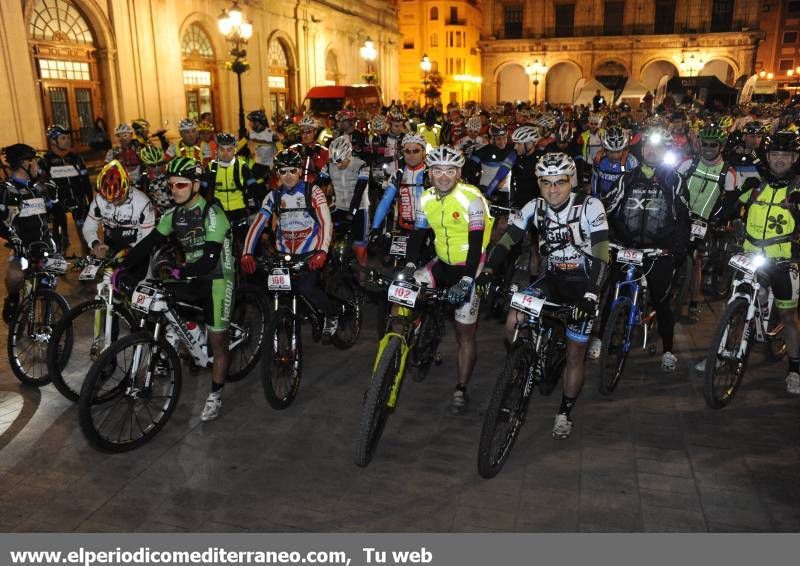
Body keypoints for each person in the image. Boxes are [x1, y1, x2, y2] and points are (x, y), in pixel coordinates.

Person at [477, 152, 609, 439]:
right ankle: (518, 368)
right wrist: (488, 270)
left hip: (584, 284)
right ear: (538, 183)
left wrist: (591, 295)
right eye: (546, 183)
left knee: (575, 355)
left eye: (559, 182)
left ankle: (564, 411)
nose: (553, 190)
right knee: (513, 319)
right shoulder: (534, 207)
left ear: (571, 181)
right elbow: (509, 238)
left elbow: (601, 253)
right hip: (553, 279)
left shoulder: (591, 206)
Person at [118, 157, 235, 421]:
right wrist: (121, 267)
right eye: (171, 186)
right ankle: (191, 332)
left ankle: (215, 396)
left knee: (218, 345)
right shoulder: (174, 214)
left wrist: (181, 271)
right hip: (192, 273)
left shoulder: (213, 214)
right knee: (164, 299)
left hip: (218, 276)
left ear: (196, 185)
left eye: (181, 185)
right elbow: (149, 244)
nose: (174, 190)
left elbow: (209, 259)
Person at [404, 146, 492, 415]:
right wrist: (408, 264)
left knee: (464, 334)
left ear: (459, 172)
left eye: (450, 170)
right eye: (438, 170)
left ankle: (461, 388)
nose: (443, 176)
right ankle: (415, 332)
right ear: (430, 172)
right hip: (441, 263)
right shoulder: (426, 197)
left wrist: (467, 280)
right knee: (406, 289)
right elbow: (418, 235)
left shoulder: (472, 198)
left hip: (469, 266)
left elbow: (476, 242)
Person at [600, 127, 690, 372]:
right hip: (626, 247)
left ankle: (669, 350)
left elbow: (683, 219)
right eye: (648, 146)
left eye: (658, 147)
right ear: (641, 149)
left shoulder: (675, 180)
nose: (652, 150)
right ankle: (602, 340)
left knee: (662, 302)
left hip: (659, 251)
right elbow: (605, 207)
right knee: (613, 295)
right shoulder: (626, 178)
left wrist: (678, 251)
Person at [240, 149, 338, 339]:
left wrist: (322, 251)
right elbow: (258, 224)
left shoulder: (313, 191)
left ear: (300, 171)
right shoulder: (273, 196)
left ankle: (331, 314)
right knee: (279, 289)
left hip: (312, 252)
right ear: (277, 174)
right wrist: (247, 252)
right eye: (283, 171)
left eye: (292, 170)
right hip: (284, 254)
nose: (288, 176)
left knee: (307, 288)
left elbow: (326, 222)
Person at [736, 131, 800, 393]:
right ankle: (724, 351)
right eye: (775, 154)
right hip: (751, 255)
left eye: (786, 155)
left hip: (784, 259)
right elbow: (731, 205)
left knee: (788, 315)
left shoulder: (797, 187)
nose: (780, 159)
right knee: (738, 300)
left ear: (795, 157)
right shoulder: (757, 183)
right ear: (768, 156)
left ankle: (795, 368)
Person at [675, 126, 737, 319]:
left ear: (722, 146)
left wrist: (715, 218)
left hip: (703, 221)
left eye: (713, 145)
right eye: (705, 144)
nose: (708, 148)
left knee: (696, 261)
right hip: (680, 216)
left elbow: (729, 203)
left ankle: (694, 302)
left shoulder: (728, 172)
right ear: (698, 143)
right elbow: (671, 186)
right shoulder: (687, 164)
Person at [0, 144, 54, 322]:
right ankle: (14, 298)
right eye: (35, 161)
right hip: (23, 250)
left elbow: (52, 209)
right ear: (25, 163)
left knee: (49, 285)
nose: (37, 166)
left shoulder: (37, 188)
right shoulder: (7, 189)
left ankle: (47, 326)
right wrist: (14, 240)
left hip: (45, 247)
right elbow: (2, 221)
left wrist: (54, 197)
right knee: (15, 276)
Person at [82, 160, 155, 277]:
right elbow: (89, 227)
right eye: (108, 199)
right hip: (111, 250)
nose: (114, 203)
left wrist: (127, 251)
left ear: (127, 187)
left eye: (118, 198)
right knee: (108, 289)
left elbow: (149, 238)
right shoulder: (99, 200)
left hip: (138, 249)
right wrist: (95, 244)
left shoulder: (142, 202)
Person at [39, 124, 92, 254]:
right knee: (60, 237)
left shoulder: (76, 158)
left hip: (77, 200)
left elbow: (85, 180)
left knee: (84, 233)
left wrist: (90, 200)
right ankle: (60, 257)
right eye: (63, 138)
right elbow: (41, 185)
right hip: (58, 204)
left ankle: (87, 258)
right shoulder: (45, 161)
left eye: (68, 137)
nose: (67, 140)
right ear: (53, 141)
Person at [204, 132, 257, 252]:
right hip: (219, 211)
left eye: (229, 149)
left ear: (235, 149)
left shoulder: (242, 166)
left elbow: (253, 190)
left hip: (240, 210)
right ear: (216, 150)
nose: (225, 153)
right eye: (222, 149)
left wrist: (253, 211)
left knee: (247, 244)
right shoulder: (211, 167)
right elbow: (203, 191)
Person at [370, 134, 427, 238]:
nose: (411, 155)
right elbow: (385, 201)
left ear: (424, 152)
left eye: (416, 151)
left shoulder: (432, 174)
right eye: (407, 151)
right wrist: (375, 227)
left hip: (428, 230)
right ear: (403, 153)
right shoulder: (398, 174)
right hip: (404, 229)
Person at [325, 136, 370, 267]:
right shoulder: (329, 165)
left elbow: (359, 192)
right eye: (334, 162)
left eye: (340, 161)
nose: (337, 165)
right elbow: (317, 184)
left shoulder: (362, 165)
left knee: (360, 249)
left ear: (349, 154)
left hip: (359, 207)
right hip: (339, 206)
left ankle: (362, 279)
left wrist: (352, 213)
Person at [468, 124, 517, 204]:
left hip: (504, 192)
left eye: (505, 138)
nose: (503, 142)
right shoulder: (483, 151)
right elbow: (469, 169)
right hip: (485, 189)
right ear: (492, 139)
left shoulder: (512, 149)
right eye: (499, 139)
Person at [590, 126, 639, 199]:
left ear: (624, 149)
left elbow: (636, 185)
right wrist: (596, 198)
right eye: (611, 152)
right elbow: (595, 180)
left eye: (618, 152)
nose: (615, 156)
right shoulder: (599, 159)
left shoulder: (631, 162)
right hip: (602, 197)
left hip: (623, 198)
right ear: (605, 149)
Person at [137, 144, 174, 216]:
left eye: (160, 163)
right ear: (145, 164)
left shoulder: (172, 171)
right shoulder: (144, 178)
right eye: (153, 165)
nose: (157, 168)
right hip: (160, 212)